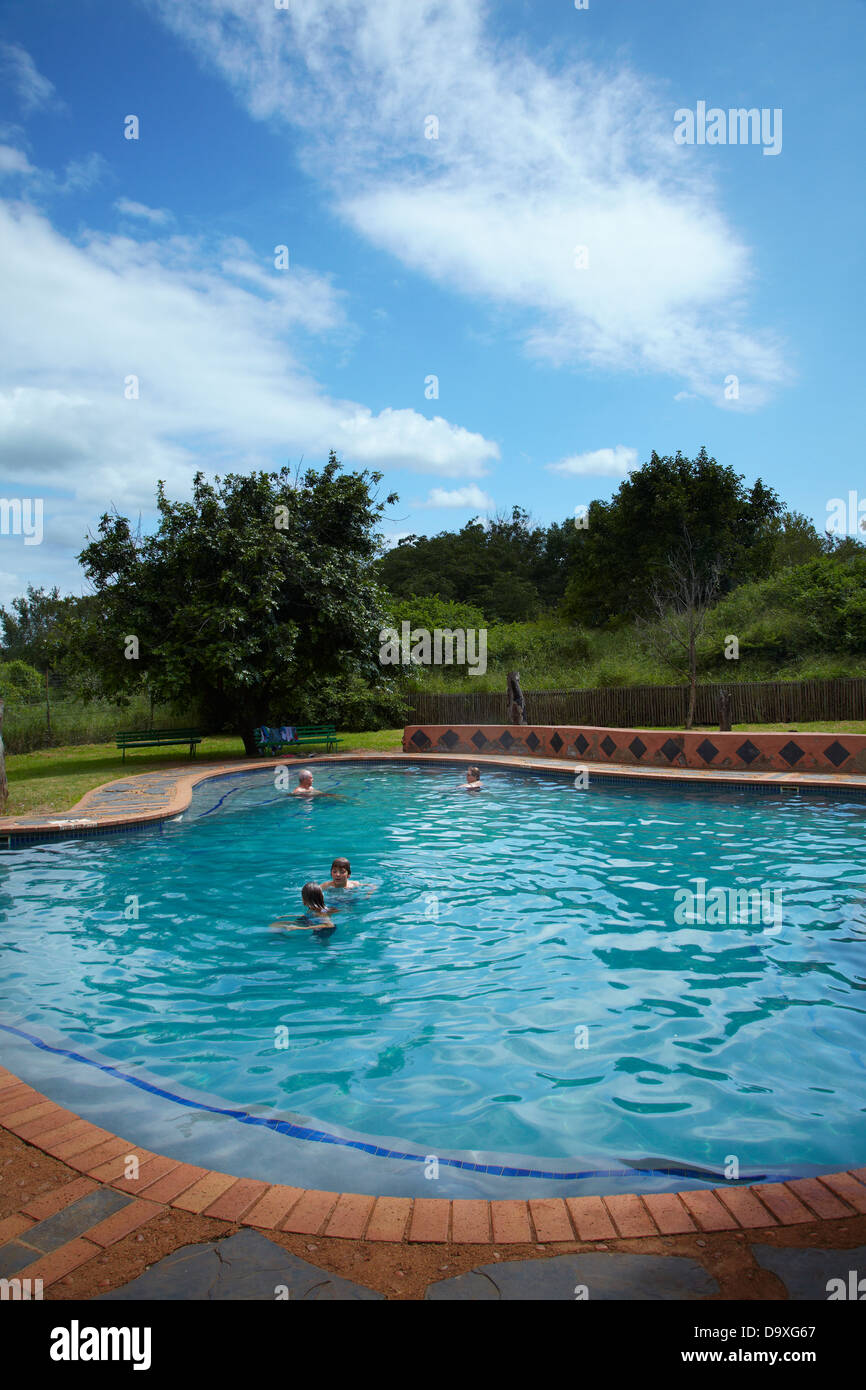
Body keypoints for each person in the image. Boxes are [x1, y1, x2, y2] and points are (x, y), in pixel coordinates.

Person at [270, 882, 337, 932]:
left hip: (324, 931)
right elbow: (310, 915)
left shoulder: (320, 913)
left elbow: (330, 925)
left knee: (275, 927)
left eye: (303, 897)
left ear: (307, 900)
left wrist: (299, 928)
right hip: (310, 921)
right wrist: (289, 916)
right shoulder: (313, 908)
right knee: (274, 926)